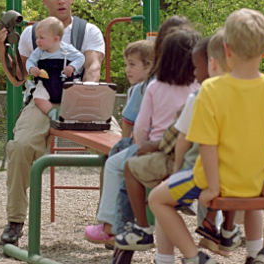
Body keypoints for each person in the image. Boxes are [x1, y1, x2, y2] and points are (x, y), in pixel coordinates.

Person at [148, 8, 264, 264]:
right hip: (257, 177)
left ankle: (193, 255)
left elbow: (207, 146)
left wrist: (214, 188)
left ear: (226, 49)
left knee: (157, 199)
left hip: (212, 179)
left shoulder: (211, 90)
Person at [0, 0, 106, 246]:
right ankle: (15, 221)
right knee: (19, 146)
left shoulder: (88, 31)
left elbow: (93, 66)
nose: (61, 1)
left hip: (77, 97)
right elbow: (19, 79)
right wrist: (1, 49)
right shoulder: (33, 34)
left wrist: (86, 94)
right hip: (41, 100)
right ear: (45, 2)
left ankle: (109, 222)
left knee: (115, 147)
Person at [85, 28, 200, 250]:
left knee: (121, 166)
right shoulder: (200, 86)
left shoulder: (152, 86)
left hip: (159, 152)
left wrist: (139, 145)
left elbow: (138, 127)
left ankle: (119, 226)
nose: (127, 69)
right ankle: (213, 227)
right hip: (196, 155)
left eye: (132, 64)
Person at [113, 35, 211, 256]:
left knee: (128, 168)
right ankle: (214, 230)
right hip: (212, 162)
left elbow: (167, 134)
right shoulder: (206, 88)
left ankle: (139, 228)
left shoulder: (156, 86)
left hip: (176, 159)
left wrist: (148, 146)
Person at [25, 16, 85, 118]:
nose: (37, 41)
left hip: (65, 81)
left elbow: (81, 57)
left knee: (77, 93)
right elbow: (30, 61)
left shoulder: (66, 49)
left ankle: (68, 112)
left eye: (41, 37)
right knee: (38, 97)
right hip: (45, 83)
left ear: (56, 39)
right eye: (37, 37)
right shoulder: (39, 52)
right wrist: (31, 69)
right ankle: (52, 112)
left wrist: (72, 67)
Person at [120, 40, 155, 138]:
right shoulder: (166, 83)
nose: (127, 70)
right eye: (126, 65)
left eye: (132, 64)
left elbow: (128, 123)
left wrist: (122, 145)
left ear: (148, 65)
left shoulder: (141, 89)